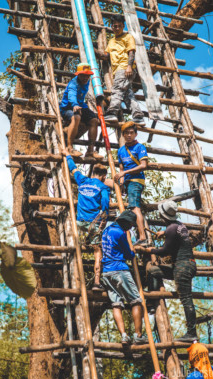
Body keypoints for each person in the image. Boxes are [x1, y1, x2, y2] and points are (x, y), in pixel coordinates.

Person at [145, 200, 198, 342]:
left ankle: (192, 332)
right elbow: (174, 235)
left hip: (182, 267)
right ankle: (152, 300)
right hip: (185, 266)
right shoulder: (180, 225)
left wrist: (151, 250)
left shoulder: (171, 229)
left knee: (186, 299)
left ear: (162, 215)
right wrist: (164, 232)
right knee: (153, 270)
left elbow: (166, 251)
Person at [62, 148, 110, 290]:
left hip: (79, 222)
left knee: (82, 242)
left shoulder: (82, 180)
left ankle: (87, 241)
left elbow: (73, 169)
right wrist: (104, 222)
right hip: (93, 224)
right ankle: (96, 282)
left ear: (93, 173)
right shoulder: (103, 187)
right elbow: (105, 205)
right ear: (102, 176)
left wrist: (68, 155)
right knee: (97, 251)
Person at [101, 210, 148, 344]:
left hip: (106, 272)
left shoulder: (107, 230)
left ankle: (124, 336)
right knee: (136, 301)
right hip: (119, 270)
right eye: (131, 225)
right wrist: (132, 251)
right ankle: (138, 335)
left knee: (116, 304)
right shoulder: (120, 233)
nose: (131, 228)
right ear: (126, 223)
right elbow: (129, 255)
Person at [102, 15, 145, 125]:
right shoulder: (111, 41)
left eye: (119, 26)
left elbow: (131, 52)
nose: (117, 28)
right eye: (115, 26)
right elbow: (107, 54)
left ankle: (112, 112)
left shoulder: (128, 37)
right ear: (111, 26)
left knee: (117, 90)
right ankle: (138, 116)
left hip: (124, 68)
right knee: (127, 94)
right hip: (118, 70)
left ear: (123, 26)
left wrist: (129, 66)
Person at [114, 121, 148, 244]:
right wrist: (122, 183)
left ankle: (142, 237)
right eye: (126, 133)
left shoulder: (140, 147)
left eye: (131, 133)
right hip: (128, 182)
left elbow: (143, 165)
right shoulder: (121, 151)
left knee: (134, 207)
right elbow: (121, 169)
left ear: (136, 134)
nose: (129, 135)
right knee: (133, 207)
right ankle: (140, 235)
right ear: (123, 135)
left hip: (136, 181)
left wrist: (124, 173)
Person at [60, 63, 103, 159]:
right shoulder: (73, 84)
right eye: (83, 75)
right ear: (78, 75)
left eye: (87, 76)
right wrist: (74, 104)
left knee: (94, 120)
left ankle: (90, 150)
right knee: (76, 117)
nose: (85, 78)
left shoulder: (87, 82)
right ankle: (70, 148)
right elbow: (72, 95)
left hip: (80, 105)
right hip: (67, 108)